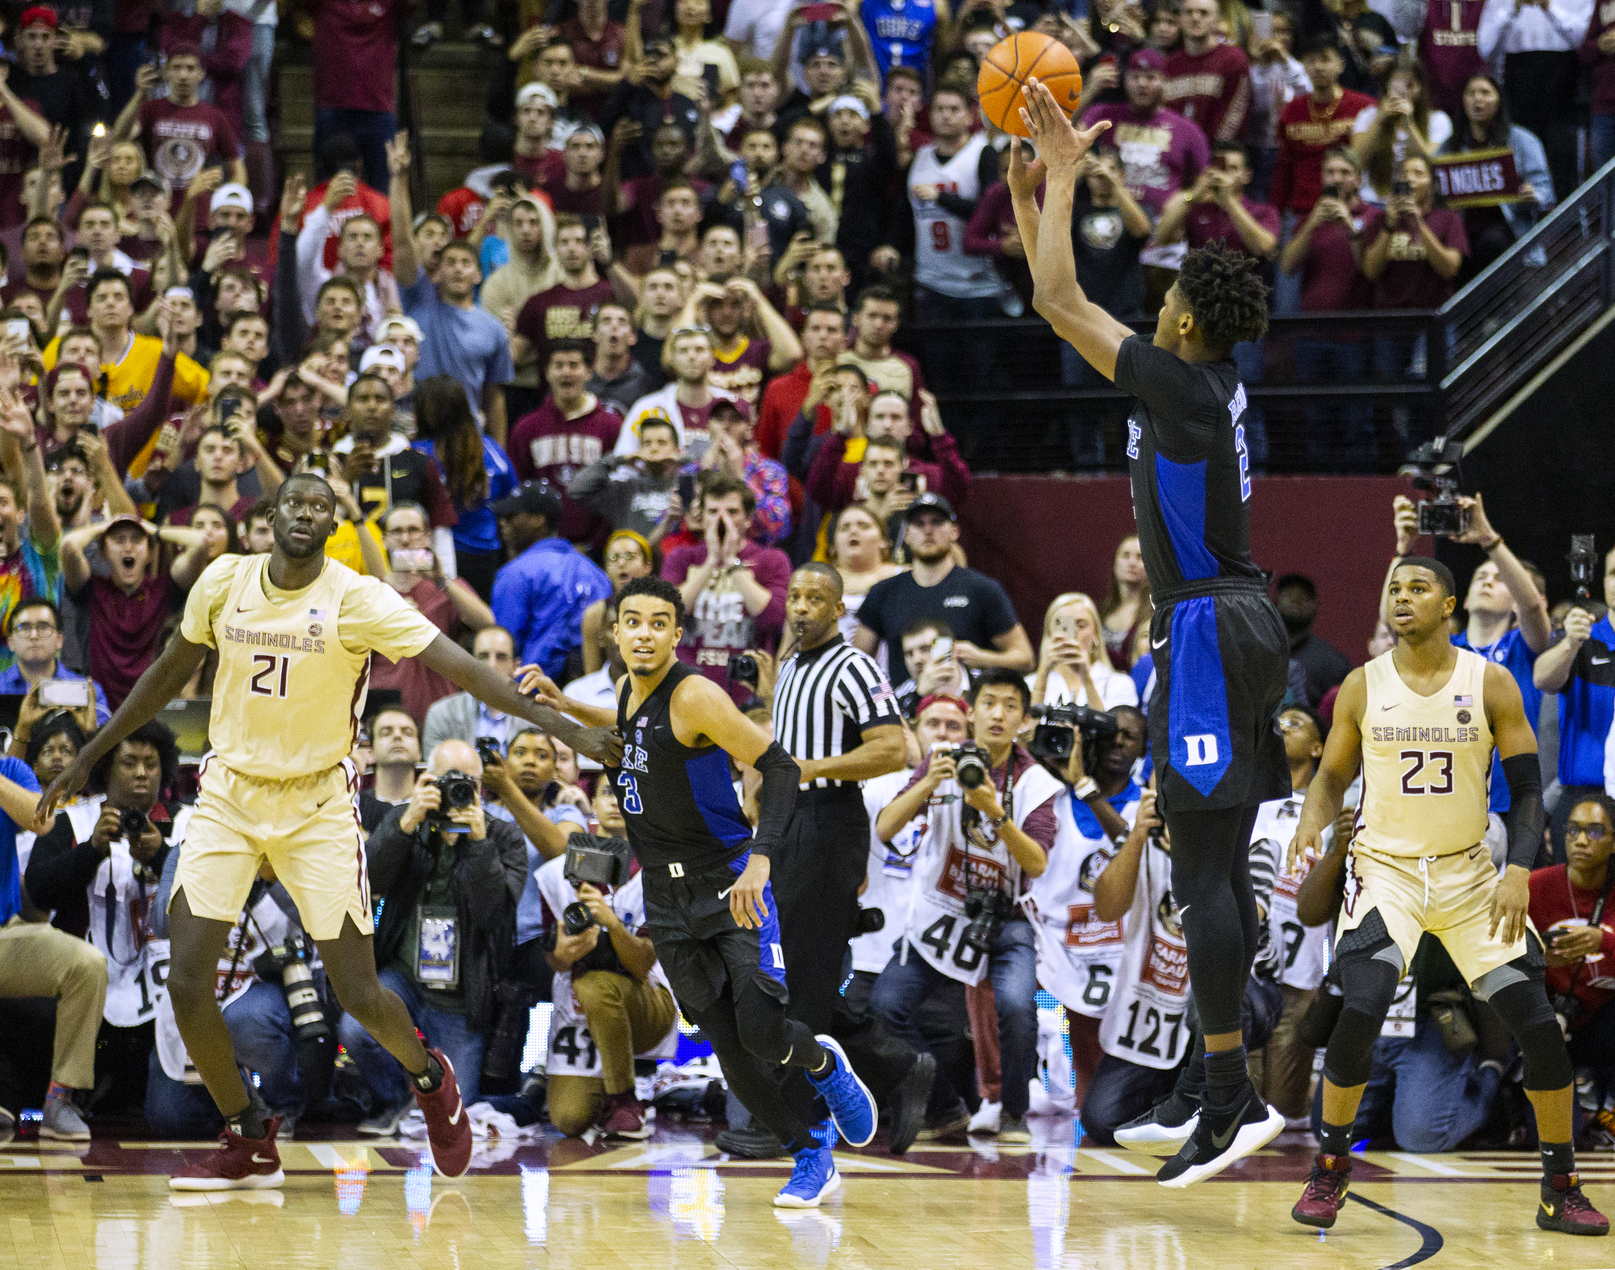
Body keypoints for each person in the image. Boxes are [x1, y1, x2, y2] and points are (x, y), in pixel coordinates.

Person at [37, 472, 620, 1190]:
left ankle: (428, 1080)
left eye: (322, 506)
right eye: (296, 504)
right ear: (270, 517)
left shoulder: (358, 597)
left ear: (332, 524)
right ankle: (248, 1136)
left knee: (358, 993)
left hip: (316, 805)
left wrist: (568, 731)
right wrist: (90, 755)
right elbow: (166, 672)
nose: (307, 515)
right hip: (228, 795)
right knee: (187, 983)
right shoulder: (224, 580)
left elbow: (466, 669)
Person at [1011, 83, 1290, 1185]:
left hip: (1211, 625)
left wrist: (1065, 167)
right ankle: (1206, 1080)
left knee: (1206, 872)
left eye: (1167, 291)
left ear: (1179, 322)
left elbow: (1054, 296)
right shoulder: (1201, 381)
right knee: (1198, 862)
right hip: (1226, 621)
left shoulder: (1174, 383)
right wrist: (1031, 184)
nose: (1158, 299)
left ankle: (1228, 1098)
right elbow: (1050, 292)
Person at [524, 573, 878, 1208]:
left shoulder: (695, 697)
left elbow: (779, 766)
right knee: (729, 1048)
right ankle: (809, 1154)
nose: (644, 634)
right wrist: (566, 704)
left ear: (677, 635)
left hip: (730, 882)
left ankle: (823, 1064)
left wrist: (761, 860)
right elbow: (629, 727)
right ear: (615, 631)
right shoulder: (629, 689)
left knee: (765, 1034)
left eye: (659, 624)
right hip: (666, 897)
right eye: (633, 622)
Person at [1285, 557, 1605, 1235]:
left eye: (1416, 588)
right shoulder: (1360, 686)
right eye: (1392, 588)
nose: (1401, 598)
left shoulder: (1487, 682)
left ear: (1448, 607)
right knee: (1362, 1002)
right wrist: (1311, 825)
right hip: (1386, 872)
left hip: (1466, 876)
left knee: (1538, 1025)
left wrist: (1517, 868)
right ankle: (1331, 1167)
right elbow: (1331, 775)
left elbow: (1524, 794)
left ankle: (1560, 1185)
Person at [724, 563, 906, 1153]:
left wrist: (815, 769)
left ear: (836, 609)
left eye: (815, 598)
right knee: (800, 967)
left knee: (804, 972)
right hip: (793, 819)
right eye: (795, 596)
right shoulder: (796, 663)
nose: (801, 607)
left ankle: (791, 1127)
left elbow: (893, 748)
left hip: (831, 824)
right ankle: (895, 1070)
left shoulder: (854, 666)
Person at [871, 669, 1064, 1143]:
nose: (998, 714)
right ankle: (944, 1105)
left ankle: (1013, 1113)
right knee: (884, 1005)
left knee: (1019, 1008)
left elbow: (1036, 863)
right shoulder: (942, 762)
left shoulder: (1036, 782)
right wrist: (927, 784)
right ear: (971, 711)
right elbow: (884, 828)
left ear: (1023, 719)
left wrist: (995, 811)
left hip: (1005, 918)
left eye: (1011, 705)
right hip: (942, 912)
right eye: (989, 703)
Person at [343, 740, 527, 1129]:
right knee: (355, 1028)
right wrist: (405, 823)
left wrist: (478, 845)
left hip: (463, 994)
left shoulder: (504, 837)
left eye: (467, 783)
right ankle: (398, 1101)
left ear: (482, 787)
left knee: (458, 1108)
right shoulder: (408, 819)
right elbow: (368, 881)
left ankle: (423, 1105)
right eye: (446, 781)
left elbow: (494, 916)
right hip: (404, 975)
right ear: (428, 780)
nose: (456, 791)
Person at [1024, 706, 1145, 1109]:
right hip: (1050, 940)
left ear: (1144, 747)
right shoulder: (1046, 796)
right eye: (1110, 733)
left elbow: (1133, 845)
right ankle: (1007, 1092)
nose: (1118, 741)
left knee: (1094, 1093)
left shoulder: (1146, 803)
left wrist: (1084, 786)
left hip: (1118, 945)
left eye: (1130, 736)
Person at [533, 809, 679, 1138]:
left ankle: (624, 1096)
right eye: (607, 792)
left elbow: (643, 965)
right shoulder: (558, 875)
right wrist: (561, 954)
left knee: (595, 986)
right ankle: (604, 1085)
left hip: (648, 1001)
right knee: (568, 1119)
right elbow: (555, 960)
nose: (615, 801)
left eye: (622, 794)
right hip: (581, 1010)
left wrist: (613, 926)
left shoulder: (657, 871)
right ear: (594, 808)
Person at [0, 729, 103, 1143]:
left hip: (8, 936)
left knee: (87, 965)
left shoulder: (11, 770)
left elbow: (40, 821)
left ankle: (59, 1098)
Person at [388, 134, 513, 445]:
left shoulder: (492, 328)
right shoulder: (420, 297)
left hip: (468, 436)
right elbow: (402, 241)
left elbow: (495, 399)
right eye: (451, 263)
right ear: (439, 272)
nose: (457, 268)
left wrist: (498, 450)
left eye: (465, 263)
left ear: (477, 275)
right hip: (415, 431)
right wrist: (399, 178)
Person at [853, 494, 1033, 682]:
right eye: (919, 524)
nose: (928, 530)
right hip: (903, 708)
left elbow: (1025, 659)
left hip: (964, 707)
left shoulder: (982, 589)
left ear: (955, 532)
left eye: (937, 522)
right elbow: (857, 664)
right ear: (905, 535)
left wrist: (982, 658)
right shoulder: (883, 593)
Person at [1530, 794, 1615, 1140]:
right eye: (1574, 830)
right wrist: (1538, 958)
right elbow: (1497, 950)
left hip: (1605, 1024)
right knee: (1557, 1136)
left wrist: (1602, 941)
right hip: (1551, 1019)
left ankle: (1604, 1100)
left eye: (1595, 832)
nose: (1581, 841)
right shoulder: (1535, 886)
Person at [661, 474, 790, 701]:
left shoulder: (772, 560)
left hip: (748, 694)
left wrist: (731, 562)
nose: (721, 520)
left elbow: (774, 618)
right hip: (687, 690)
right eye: (713, 512)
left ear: (748, 519)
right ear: (701, 517)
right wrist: (711, 561)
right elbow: (668, 614)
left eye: (731, 512)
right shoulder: (681, 558)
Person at [490, 480, 613, 679]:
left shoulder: (515, 574)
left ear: (538, 519)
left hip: (534, 691)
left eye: (511, 515)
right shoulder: (595, 572)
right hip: (592, 690)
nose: (503, 522)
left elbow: (504, 643)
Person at [411, 375, 518, 602]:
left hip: (430, 557)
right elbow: (513, 499)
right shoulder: (491, 449)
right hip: (485, 555)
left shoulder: (415, 454)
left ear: (422, 412)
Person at [509, 339, 625, 547]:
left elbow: (619, 492)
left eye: (574, 365)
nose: (566, 372)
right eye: (558, 365)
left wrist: (595, 544)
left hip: (598, 547)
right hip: (542, 546)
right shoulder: (526, 428)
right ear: (547, 373)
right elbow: (519, 489)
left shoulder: (612, 427)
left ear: (588, 372)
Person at [1438, 73, 1553, 282]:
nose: (1478, 99)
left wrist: (1532, 194)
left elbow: (1546, 191)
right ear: (1463, 101)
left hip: (1507, 229)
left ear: (1499, 100)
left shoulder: (1522, 140)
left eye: (1485, 93)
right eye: (1471, 93)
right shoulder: (1449, 147)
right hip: (1460, 231)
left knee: (1489, 244)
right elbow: (1433, 187)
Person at [566, 417, 681, 542]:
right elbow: (575, 489)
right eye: (647, 443)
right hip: (631, 559)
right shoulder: (623, 489)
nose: (654, 448)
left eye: (662, 442)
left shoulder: (687, 485)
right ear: (639, 449)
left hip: (678, 557)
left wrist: (683, 461)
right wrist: (619, 460)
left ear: (677, 450)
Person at [0, 599, 110, 726]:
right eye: (24, 627)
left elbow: (106, 742)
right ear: (10, 641)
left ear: (59, 640)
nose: (34, 635)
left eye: (43, 627)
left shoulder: (88, 691)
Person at [422, 626, 527, 756]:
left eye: (501, 657)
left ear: (515, 667)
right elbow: (434, 769)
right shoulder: (442, 714)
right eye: (483, 656)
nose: (491, 665)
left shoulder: (534, 719)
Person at [1031, 592, 1141, 711]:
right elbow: (1026, 727)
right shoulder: (1029, 684)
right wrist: (1043, 673)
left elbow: (1111, 729)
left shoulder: (1119, 684)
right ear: (1049, 633)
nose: (1072, 634)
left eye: (1081, 625)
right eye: (1064, 626)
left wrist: (1086, 678)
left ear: (1096, 635)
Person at [1163, 0, 1252, 142]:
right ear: (1179, 19)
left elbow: (1236, 114)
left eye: (1203, 13)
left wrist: (1211, 150)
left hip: (1218, 154)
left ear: (1217, 20)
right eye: (1189, 12)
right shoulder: (1168, 64)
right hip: (1176, 152)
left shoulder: (1233, 59)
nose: (1195, 18)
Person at [1274, 574, 1353, 707]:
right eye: (1288, 595)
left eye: (1304, 597)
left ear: (1316, 606)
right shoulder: (1258, 652)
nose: (1295, 600)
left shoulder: (1332, 663)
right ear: (1275, 602)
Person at [1100, 535, 1153, 669]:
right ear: (1114, 563)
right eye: (1125, 555)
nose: (1132, 562)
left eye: (1140, 557)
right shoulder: (1101, 612)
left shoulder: (1155, 612)